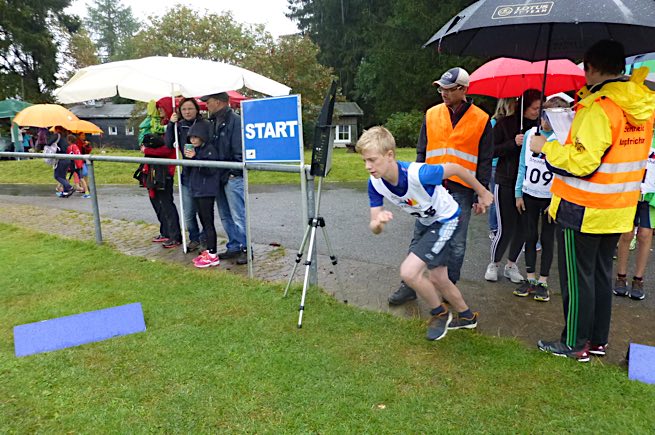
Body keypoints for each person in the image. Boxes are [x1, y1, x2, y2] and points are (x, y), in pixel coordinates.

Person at [530, 40, 655, 361]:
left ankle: (573, 343)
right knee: (600, 276)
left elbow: (582, 162)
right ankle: (597, 341)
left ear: (590, 68)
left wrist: (546, 147)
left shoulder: (599, 107)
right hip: (619, 208)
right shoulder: (641, 105)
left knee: (576, 278)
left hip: (582, 208)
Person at [357, 126, 493, 340]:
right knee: (439, 278)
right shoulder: (375, 184)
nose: (367, 166)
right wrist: (378, 222)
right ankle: (467, 317)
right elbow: (374, 227)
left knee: (409, 272)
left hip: (447, 219)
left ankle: (440, 313)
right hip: (428, 220)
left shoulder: (419, 173)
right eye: (364, 160)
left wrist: (483, 192)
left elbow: (456, 168)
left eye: (372, 160)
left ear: (389, 155)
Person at [388, 67, 493, 305]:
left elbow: (485, 159)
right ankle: (409, 285)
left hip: (462, 190)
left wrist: (481, 191)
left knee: (456, 241)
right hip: (430, 187)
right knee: (420, 233)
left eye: (449, 89)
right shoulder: (432, 114)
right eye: (441, 88)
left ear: (463, 89)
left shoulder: (482, 119)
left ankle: (449, 287)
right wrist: (415, 182)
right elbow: (422, 151)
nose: (443, 93)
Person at [512, 97, 569, 302]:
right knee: (529, 236)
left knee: (547, 238)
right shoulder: (530, 135)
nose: (546, 121)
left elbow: (564, 172)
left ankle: (543, 281)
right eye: (544, 115)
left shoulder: (562, 138)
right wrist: (518, 193)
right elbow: (522, 165)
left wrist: (556, 199)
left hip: (549, 197)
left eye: (552, 117)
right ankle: (530, 278)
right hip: (529, 193)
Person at [485, 89, 543, 284]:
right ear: (524, 107)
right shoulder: (505, 124)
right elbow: (491, 150)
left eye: (539, 108)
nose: (537, 111)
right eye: (535, 108)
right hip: (505, 181)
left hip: (528, 185)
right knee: (506, 227)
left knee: (523, 228)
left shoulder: (538, 128)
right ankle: (494, 263)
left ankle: (512, 265)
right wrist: (513, 143)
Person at [201, 92, 248, 265]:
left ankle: (245, 248)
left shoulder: (234, 121)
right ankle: (234, 245)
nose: (206, 105)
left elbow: (238, 148)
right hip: (219, 174)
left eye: (209, 102)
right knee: (225, 215)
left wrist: (232, 171)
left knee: (238, 215)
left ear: (219, 102)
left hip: (231, 174)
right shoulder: (214, 121)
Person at [613, 132, 655, 301]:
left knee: (645, 235)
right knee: (627, 233)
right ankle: (621, 276)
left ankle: (638, 279)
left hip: (651, 195)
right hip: (631, 192)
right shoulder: (638, 131)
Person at [139, 99, 182, 249]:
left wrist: (147, 150)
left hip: (165, 171)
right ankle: (165, 232)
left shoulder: (172, 127)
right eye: (158, 108)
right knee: (157, 202)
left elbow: (167, 149)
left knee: (166, 204)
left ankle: (175, 235)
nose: (160, 111)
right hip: (154, 169)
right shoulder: (161, 126)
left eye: (162, 108)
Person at [166, 97, 205, 252]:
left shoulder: (204, 124)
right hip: (187, 175)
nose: (187, 112)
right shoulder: (178, 126)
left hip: (202, 175)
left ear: (196, 109)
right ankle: (194, 238)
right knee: (188, 212)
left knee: (203, 211)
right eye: (184, 109)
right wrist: (170, 124)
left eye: (190, 108)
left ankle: (205, 238)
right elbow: (169, 144)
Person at [184, 119, 221, 268]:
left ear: (203, 136)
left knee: (208, 222)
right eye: (191, 138)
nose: (193, 140)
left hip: (206, 191)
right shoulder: (197, 150)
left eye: (195, 137)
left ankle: (213, 254)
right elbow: (190, 170)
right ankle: (210, 252)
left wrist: (195, 158)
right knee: (204, 221)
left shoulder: (209, 150)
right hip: (197, 190)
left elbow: (210, 169)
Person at [489, 98, 518, 240]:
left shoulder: (514, 123)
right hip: (495, 165)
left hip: (503, 164)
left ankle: (500, 228)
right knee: (496, 200)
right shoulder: (496, 123)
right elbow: (491, 147)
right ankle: (494, 228)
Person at [49, 126, 74, 198]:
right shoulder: (65, 137)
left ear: (57, 130)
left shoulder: (57, 135)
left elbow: (48, 143)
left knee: (57, 176)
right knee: (63, 176)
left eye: (54, 129)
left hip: (60, 159)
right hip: (67, 158)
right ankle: (65, 192)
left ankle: (69, 187)